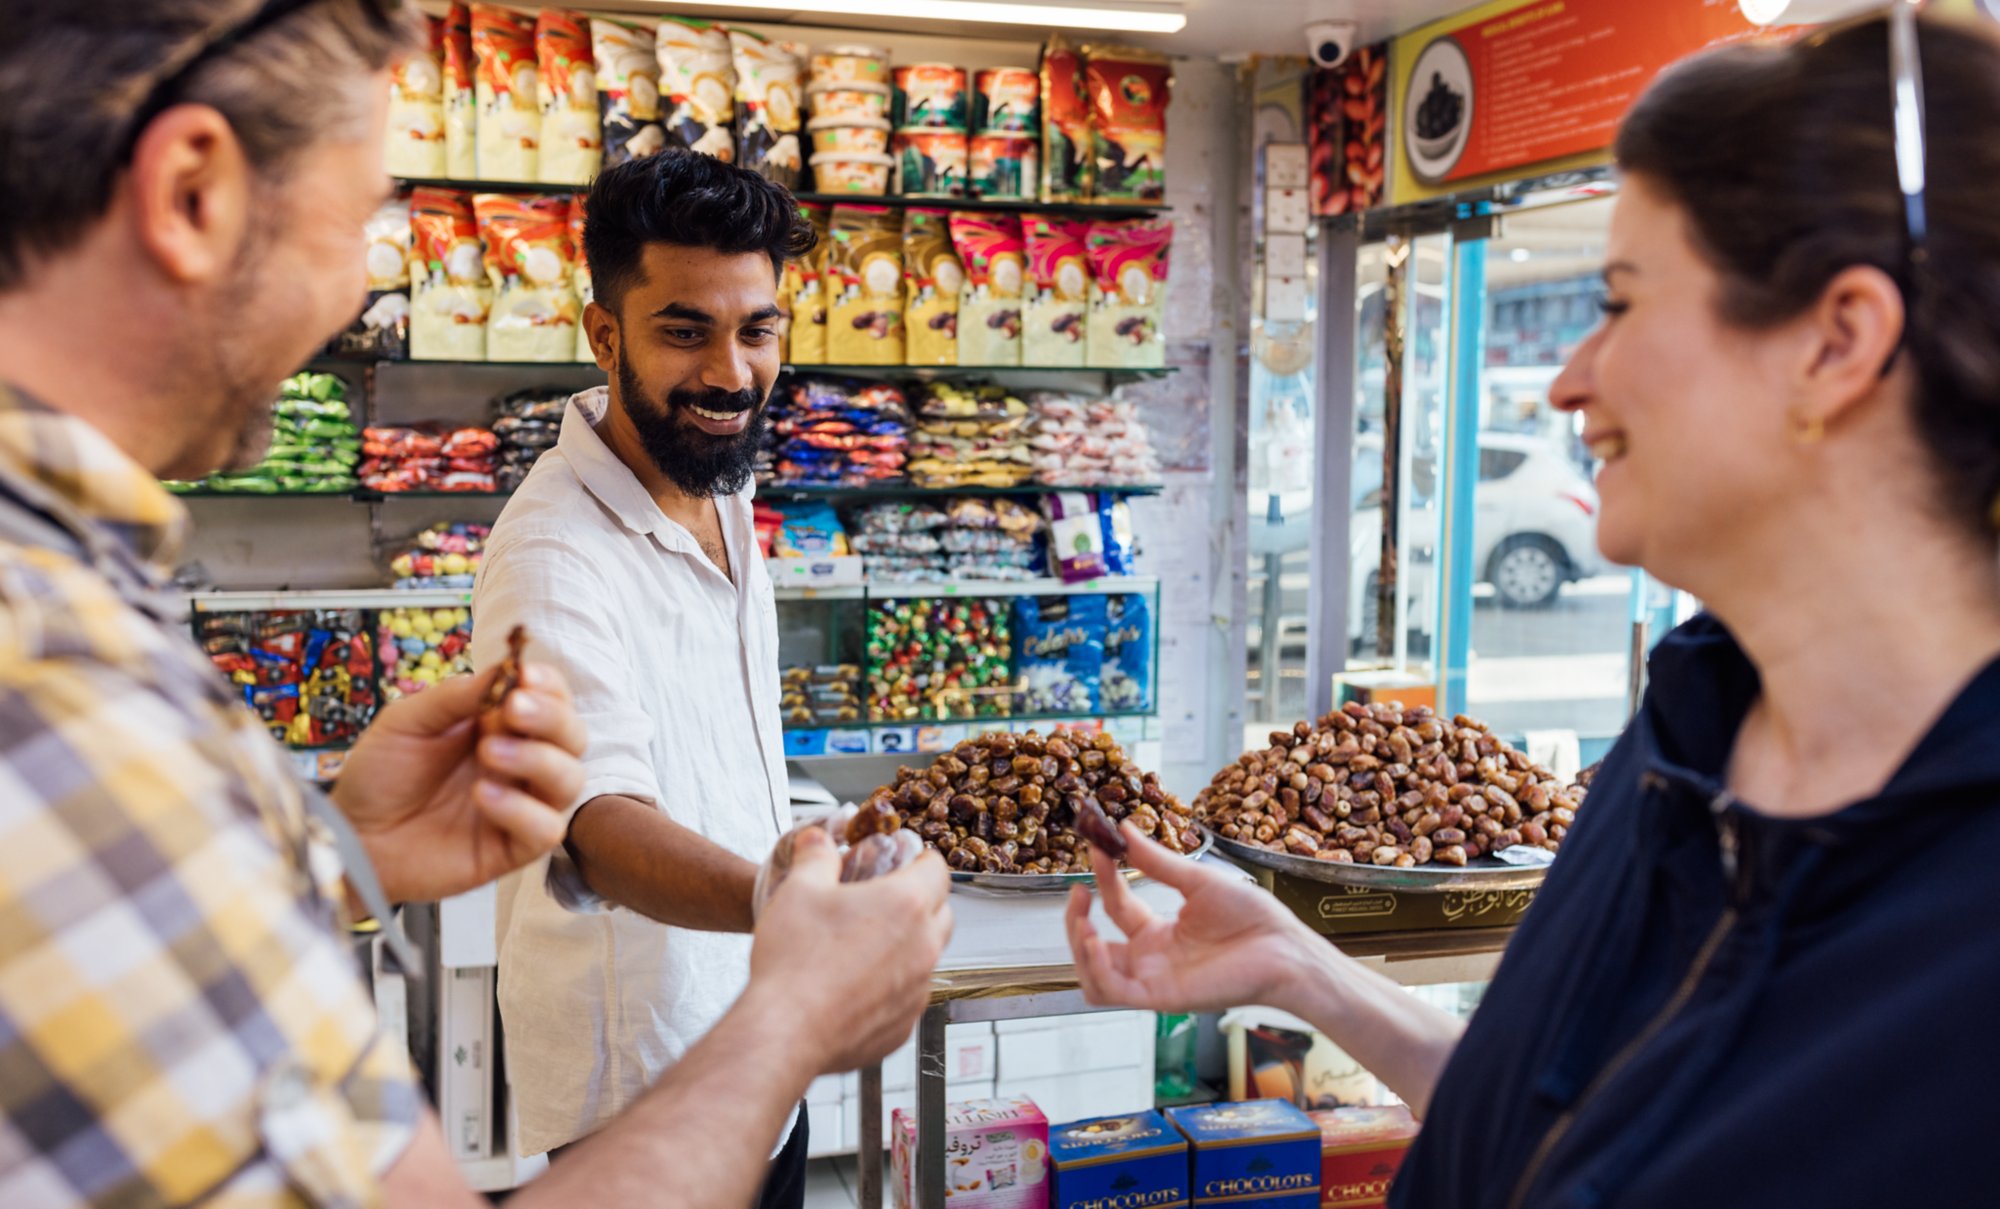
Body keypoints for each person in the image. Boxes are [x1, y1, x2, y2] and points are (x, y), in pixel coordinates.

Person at [0, 4, 951, 1207]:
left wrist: (341, 859)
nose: (359, 286)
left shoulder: (86, 609)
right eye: (358, 222)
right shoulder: (53, 679)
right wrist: (796, 1000)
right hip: (658, 1059)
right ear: (193, 193)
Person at [1067, 12, 2000, 1208]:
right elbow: (1560, 1127)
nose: (1566, 379)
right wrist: (1298, 969)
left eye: (1617, 301)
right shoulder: (1682, 740)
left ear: (1835, 341)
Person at [467, 149, 817, 1201]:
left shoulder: (720, 477)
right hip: (647, 1081)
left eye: (755, 330)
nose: (729, 371)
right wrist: (781, 897)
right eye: (683, 330)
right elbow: (593, 819)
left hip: (754, 1027)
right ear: (603, 334)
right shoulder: (551, 552)